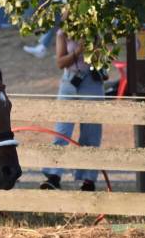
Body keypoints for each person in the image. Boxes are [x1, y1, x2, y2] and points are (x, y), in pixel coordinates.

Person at [39, 12, 105, 191]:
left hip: (91, 80)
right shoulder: (64, 33)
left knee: (91, 132)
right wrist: (78, 51)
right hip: (70, 81)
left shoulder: (96, 31)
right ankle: (54, 175)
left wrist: (95, 44)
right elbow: (60, 62)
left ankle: (88, 179)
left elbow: (103, 59)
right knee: (62, 129)